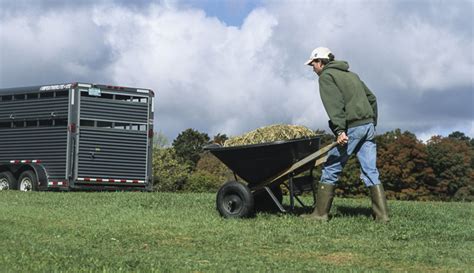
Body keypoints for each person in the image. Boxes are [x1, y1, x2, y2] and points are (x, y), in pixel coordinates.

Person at [302, 47, 389, 222]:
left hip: (352, 128)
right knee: (370, 170)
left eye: (313, 64)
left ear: (321, 62)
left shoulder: (327, 77)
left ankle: (319, 214)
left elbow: (335, 105)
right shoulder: (352, 75)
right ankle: (382, 216)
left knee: (332, 166)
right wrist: (372, 123)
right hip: (368, 126)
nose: (313, 68)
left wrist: (340, 131)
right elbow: (372, 98)